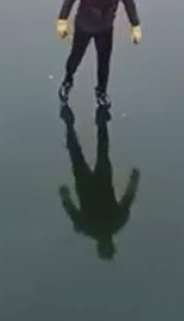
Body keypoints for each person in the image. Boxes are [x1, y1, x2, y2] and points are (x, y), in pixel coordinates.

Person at [56, 0, 141, 109]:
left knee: (104, 62)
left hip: (105, 29)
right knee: (76, 57)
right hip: (84, 27)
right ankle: (68, 80)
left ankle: (101, 91)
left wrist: (135, 25)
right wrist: (62, 20)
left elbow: (129, 3)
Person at [58, 106, 139, 260]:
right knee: (85, 152)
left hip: (91, 184)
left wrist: (65, 196)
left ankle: (90, 122)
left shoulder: (102, 225)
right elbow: (128, 198)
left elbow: (71, 209)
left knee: (93, 151)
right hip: (97, 184)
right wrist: (134, 180)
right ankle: (85, 122)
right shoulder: (99, 226)